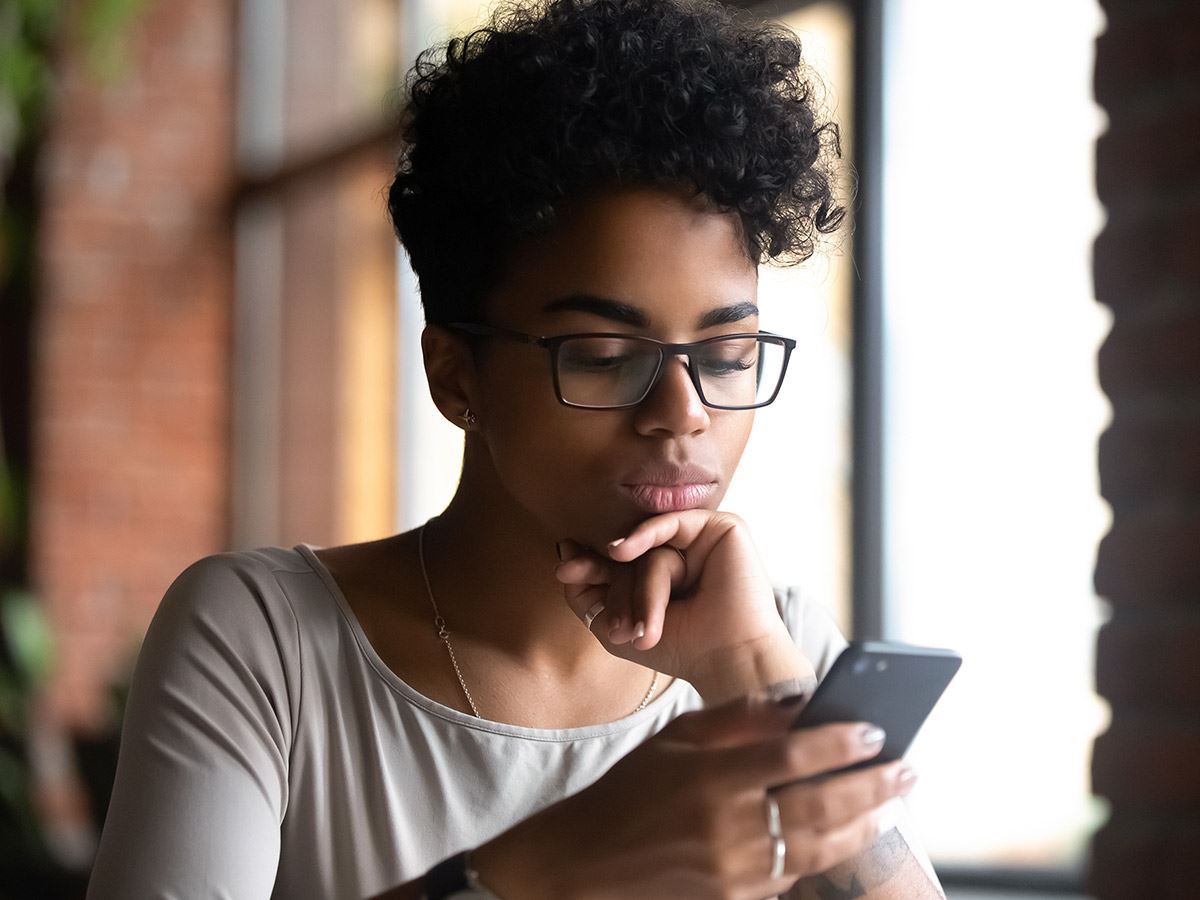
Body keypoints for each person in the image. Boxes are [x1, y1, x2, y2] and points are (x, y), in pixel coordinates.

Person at [87, 1, 946, 897]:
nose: (684, 413)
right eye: (605, 356)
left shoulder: (774, 641)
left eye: (729, 356)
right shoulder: (269, 643)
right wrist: (558, 865)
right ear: (456, 376)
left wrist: (750, 673)